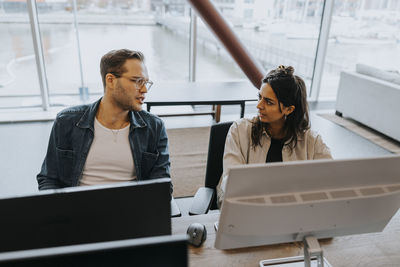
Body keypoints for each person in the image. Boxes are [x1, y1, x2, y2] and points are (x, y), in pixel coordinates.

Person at [37, 49, 171, 193]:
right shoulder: (66, 122)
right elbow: (48, 179)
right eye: (137, 81)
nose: (144, 89)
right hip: (77, 210)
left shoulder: (154, 127)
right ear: (111, 80)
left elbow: (162, 186)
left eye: (145, 82)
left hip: (131, 210)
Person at [217, 65, 332, 204]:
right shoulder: (239, 130)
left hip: (291, 213)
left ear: (289, 109)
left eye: (268, 102)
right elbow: (231, 182)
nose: (259, 105)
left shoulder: (312, 142)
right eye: (260, 97)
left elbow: (329, 183)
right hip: (245, 206)